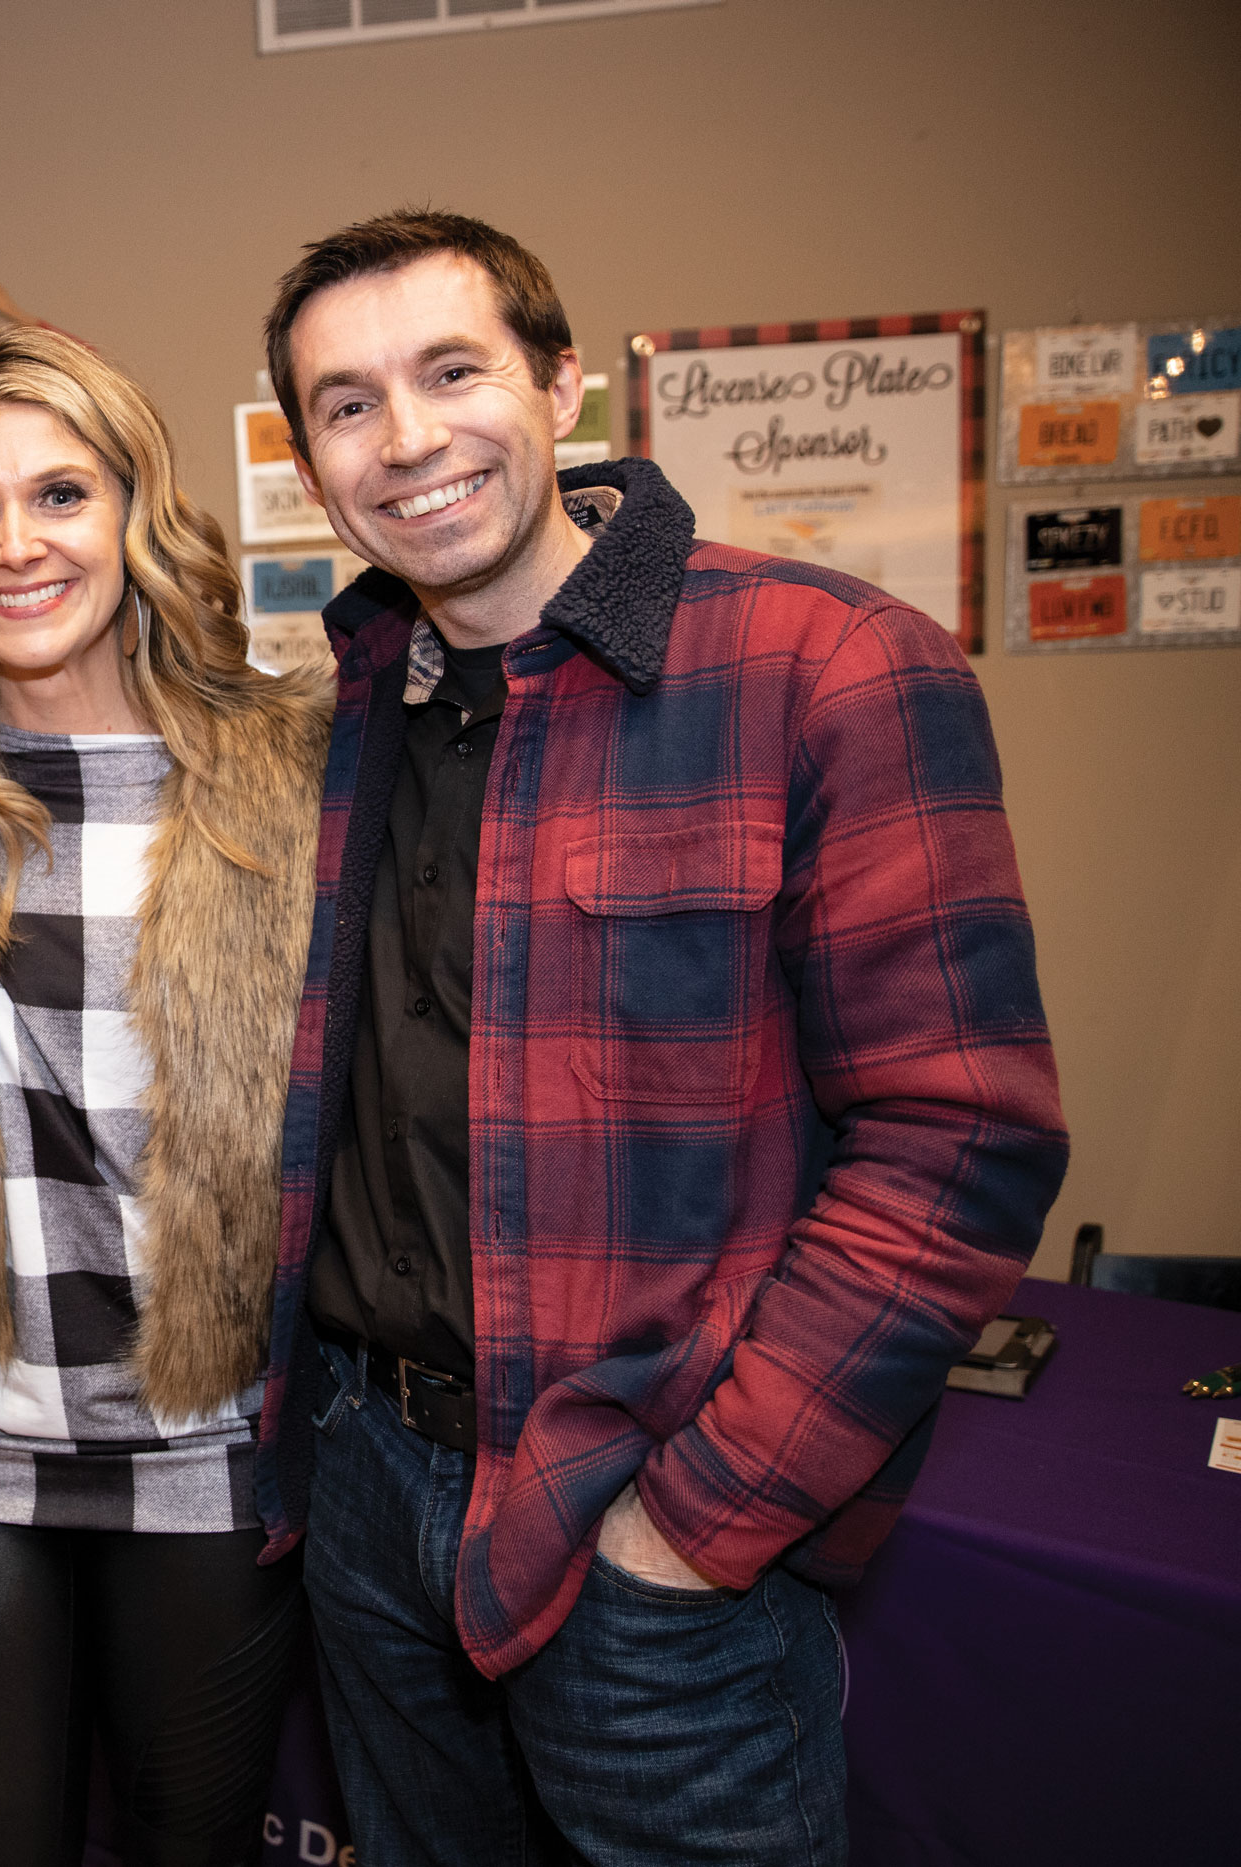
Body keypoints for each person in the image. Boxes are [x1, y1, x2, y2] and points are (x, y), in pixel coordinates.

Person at [252, 210, 1069, 1865]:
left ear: (562, 385)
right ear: (310, 455)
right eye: (346, 403)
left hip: (651, 1532)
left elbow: (962, 1138)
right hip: (369, 1493)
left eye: (453, 371)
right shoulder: (336, 718)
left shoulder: (826, 665)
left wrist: (697, 1525)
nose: (405, 438)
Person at [0, 326, 334, 1867]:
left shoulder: (294, 769)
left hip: (213, 1448)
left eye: (60, 493)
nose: (17, 544)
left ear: (135, 508)